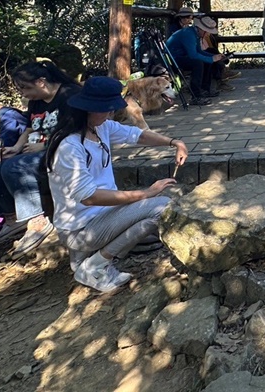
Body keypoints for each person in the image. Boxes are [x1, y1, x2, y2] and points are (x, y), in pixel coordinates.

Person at [45, 76, 187, 293]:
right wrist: (146, 193)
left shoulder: (101, 127)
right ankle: (95, 265)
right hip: (81, 229)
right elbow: (89, 196)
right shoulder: (70, 146)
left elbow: (137, 136)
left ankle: (91, 260)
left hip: (100, 218)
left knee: (152, 218)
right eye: (107, 108)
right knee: (161, 206)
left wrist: (174, 142)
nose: (112, 113)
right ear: (88, 108)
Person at [0, 60, 80, 257]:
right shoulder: (36, 102)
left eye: (25, 88)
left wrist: (45, 145)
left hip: (64, 150)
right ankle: (13, 218)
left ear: (41, 82)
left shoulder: (70, 95)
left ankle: (37, 220)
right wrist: (15, 148)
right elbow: (30, 127)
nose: (22, 93)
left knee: (15, 167)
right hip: (36, 149)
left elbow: (75, 130)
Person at [165, 9, 231, 104]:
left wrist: (214, 56)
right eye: (207, 31)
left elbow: (199, 51)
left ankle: (205, 89)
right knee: (198, 63)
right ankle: (196, 96)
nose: (208, 34)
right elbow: (193, 55)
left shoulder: (194, 33)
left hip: (181, 57)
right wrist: (211, 58)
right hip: (173, 60)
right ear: (201, 29)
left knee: (207, 61)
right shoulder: (188, 34)